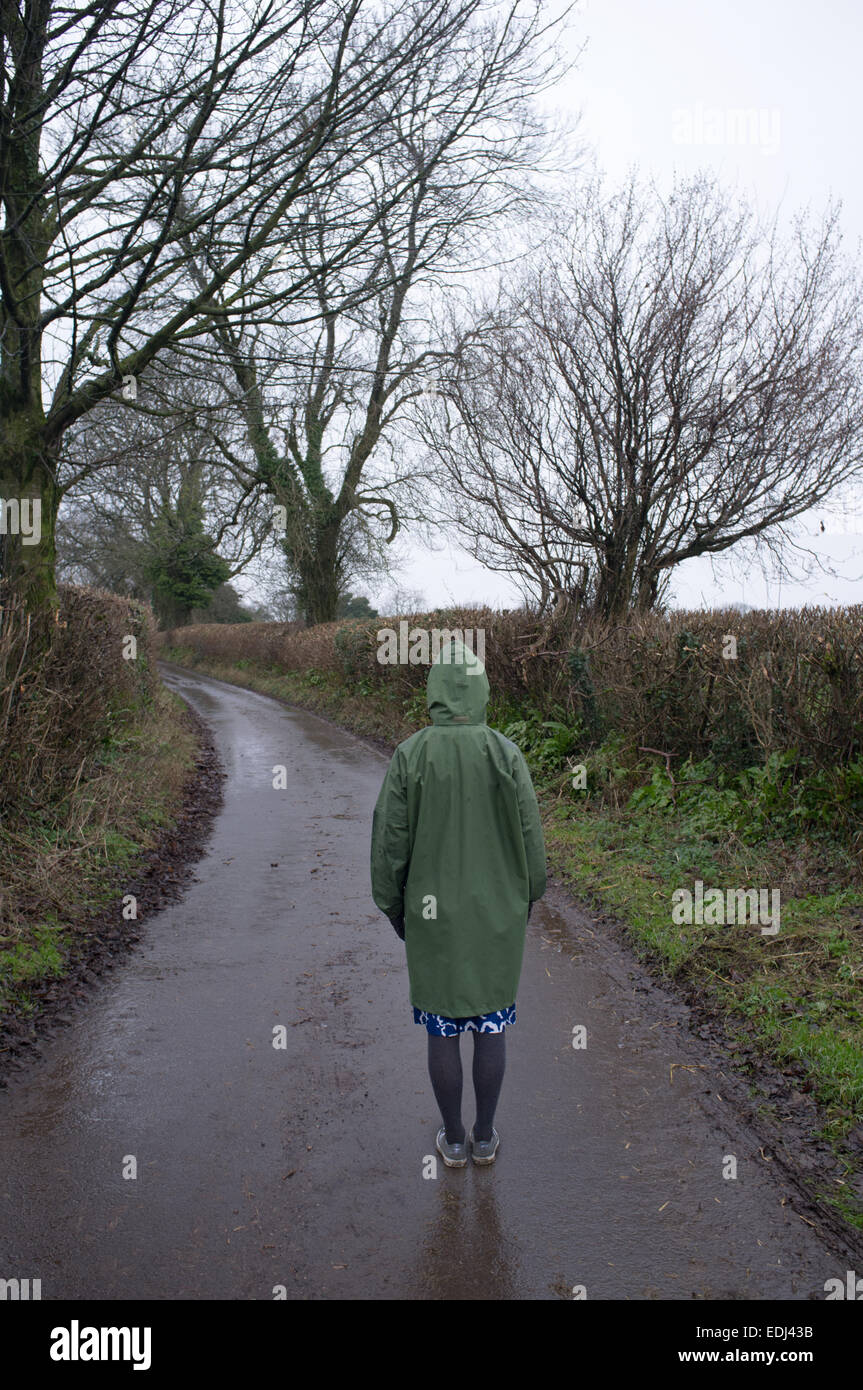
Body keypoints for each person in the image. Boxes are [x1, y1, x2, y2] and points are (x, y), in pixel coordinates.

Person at [370, 636, 546, 1167]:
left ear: (434, 692)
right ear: (482, 690)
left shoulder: (410, 754)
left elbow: (390, 841)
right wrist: (527, 897)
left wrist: (393, 907)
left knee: (442, 1024)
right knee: (492, 1022)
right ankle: (486, 1136)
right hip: (496, 916)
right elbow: (532, 840)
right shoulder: (506, 753)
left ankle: (451, 1139)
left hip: (432, 916)